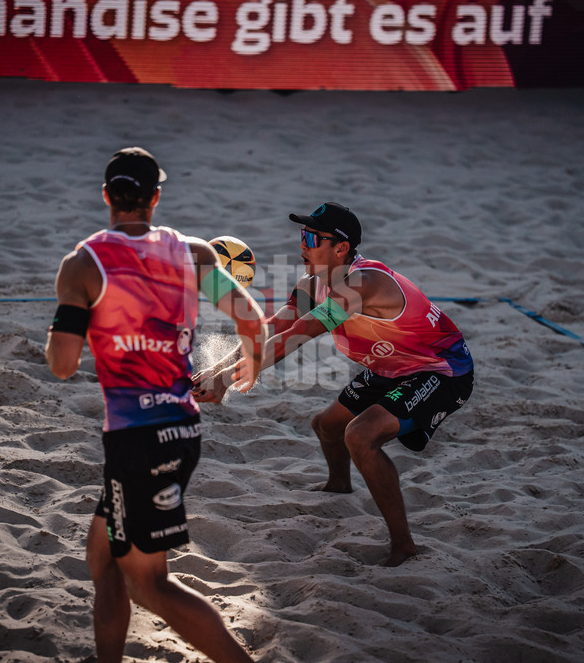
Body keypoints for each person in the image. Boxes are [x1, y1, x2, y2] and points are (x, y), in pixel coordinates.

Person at [46, 147, 265, 662]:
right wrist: (245, 367)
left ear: (106, 196)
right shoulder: (194, 254)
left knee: (149, 585)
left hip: (136, 440)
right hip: (180, 429)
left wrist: (74, 318)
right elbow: (252, 319)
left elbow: (61, 365)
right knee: (102, 559)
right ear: (155, 198)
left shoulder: (82, 265)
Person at [193, 202, 474, 567]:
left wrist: (227, 381)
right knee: (326, 425)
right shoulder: (313, 284)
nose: (303, 245)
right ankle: (339, 485)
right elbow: (274, 329)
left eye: (312, 237)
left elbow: (300, 333)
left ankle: (404, 545)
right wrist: (216, 369)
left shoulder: (364, 283)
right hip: (393, 366)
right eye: (302, 236)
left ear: (341, 248)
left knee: (360, 435)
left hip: (441, 370)